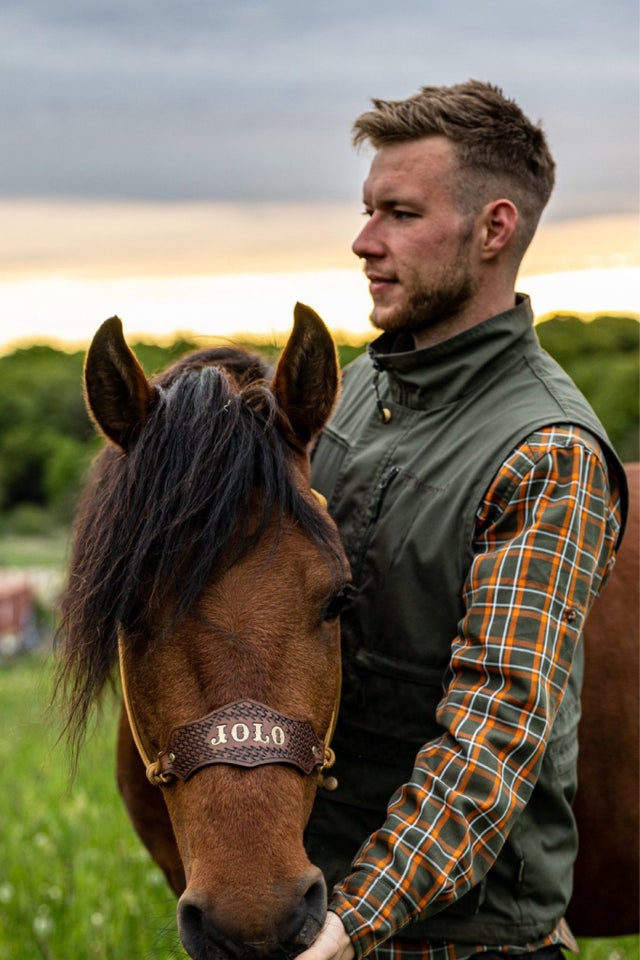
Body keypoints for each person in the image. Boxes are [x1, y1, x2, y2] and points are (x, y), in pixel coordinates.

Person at [299, 81, 628, 960]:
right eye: (368, 210)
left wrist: (346, 927)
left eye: (400, 214)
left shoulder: (547, 451)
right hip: (304, 910)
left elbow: (494, 735)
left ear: (495, 230)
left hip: (457, 939)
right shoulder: (358, 387)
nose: (364, 242)